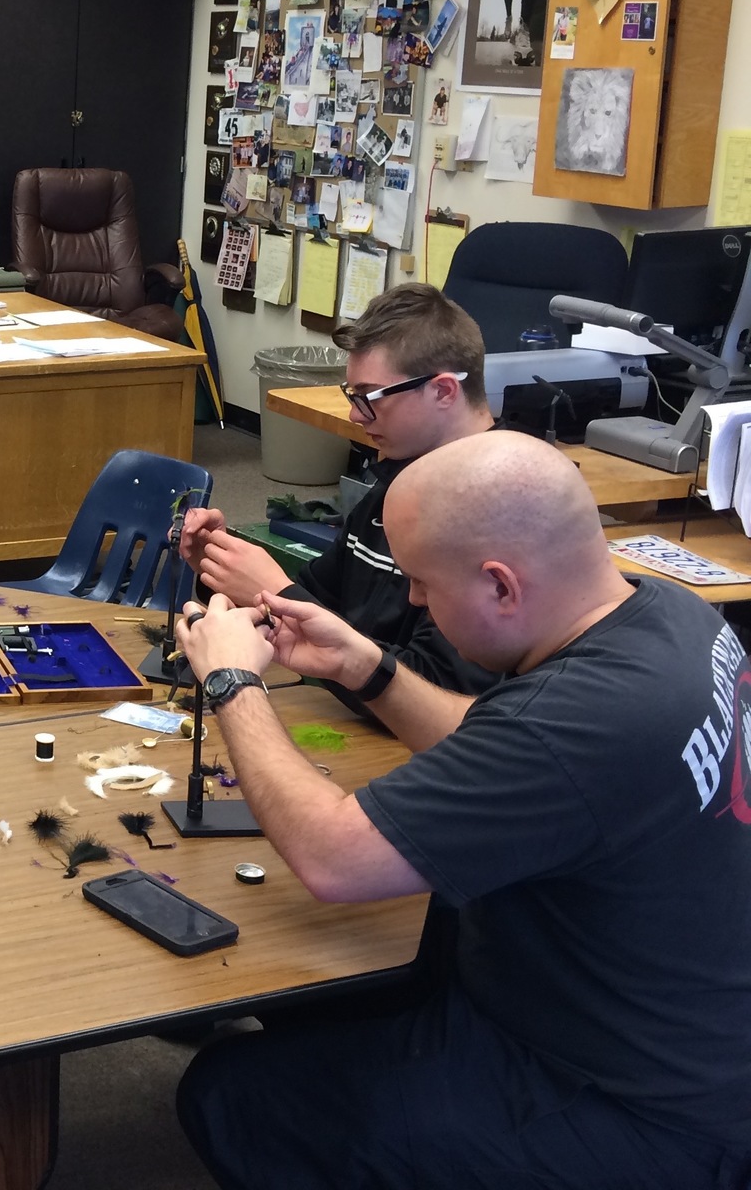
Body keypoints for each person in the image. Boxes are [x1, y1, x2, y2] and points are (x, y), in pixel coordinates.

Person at [169, 430, 751, 1190]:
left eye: (422, 584)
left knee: (233, 1094)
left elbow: (332, 857)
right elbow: (505, 747)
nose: (409, 600)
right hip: (687, 1039)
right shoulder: (669, 614)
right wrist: (367, 667)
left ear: (502, 585)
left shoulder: (576, 720)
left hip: (632, 1111)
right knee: (333, 993)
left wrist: (232, 684)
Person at [179, 283, 497, 699]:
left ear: (442, 391)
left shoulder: (496, 512)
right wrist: (223, 570)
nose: (354, 414)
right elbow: (320, 599)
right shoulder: (393, 485)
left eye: (370, 398)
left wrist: (278, 590)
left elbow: (439, 693)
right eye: (352, 395)